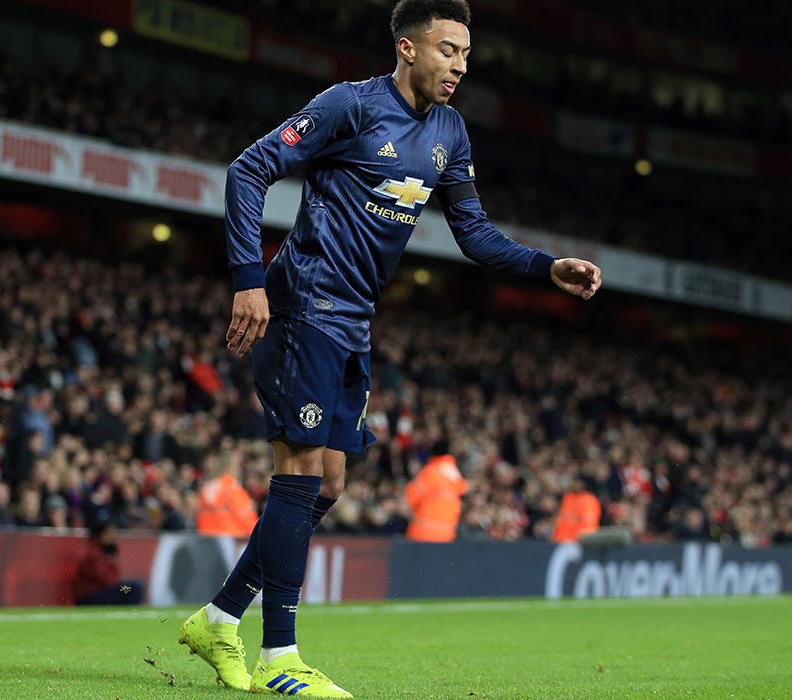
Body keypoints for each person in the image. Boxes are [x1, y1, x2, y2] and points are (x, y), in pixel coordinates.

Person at [178, 1, 602, 696]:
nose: (459, 66)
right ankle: (280, 658)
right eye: (447, 50)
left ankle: (220, 618)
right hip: (304, 302)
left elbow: (473, 232)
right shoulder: (349, 105)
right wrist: (249, 280)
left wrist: (543, 266)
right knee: (299, 471)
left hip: (354, 320)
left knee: (329, 484)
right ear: (407, 48)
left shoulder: (449, 131)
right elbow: (248, 170)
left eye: (465, 54)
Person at [404, 442, 467, 542]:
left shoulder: (431, 471)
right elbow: (463, 491)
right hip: (447, 534)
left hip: (423, 532)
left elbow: (411, 496)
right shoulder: (454, 472)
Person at [72, 520, 144, 605]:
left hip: (99, 591)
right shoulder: (93, 553)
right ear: (101, 535)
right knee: (134, 588)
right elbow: (106, 580)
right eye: (110, 533)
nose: (113, 536)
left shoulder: (101, 550)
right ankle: (129, 611)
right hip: (91, 595)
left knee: (131, 587)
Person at [196, 455, 258, 537]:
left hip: (205, 534)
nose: (239, 469)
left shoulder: (206, 487)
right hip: (230, 535)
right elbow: (245, 513)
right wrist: (257, 532)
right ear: (228, 467)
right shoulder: (231, 486)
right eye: (237, 466)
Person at [552, 479, 601, 543]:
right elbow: (560, 518)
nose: (574, 485)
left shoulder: (589, 499)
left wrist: (581, 538)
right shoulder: (568, 497)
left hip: (579, 541)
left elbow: (589, 524)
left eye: (576, 483)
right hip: (560, 539)